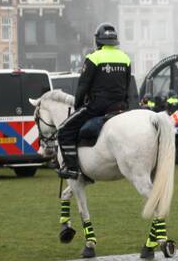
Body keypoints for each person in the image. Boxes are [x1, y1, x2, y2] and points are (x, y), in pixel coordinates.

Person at [56, 23, 133, 179]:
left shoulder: (93, 58)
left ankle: (72, 168)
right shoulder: (125, 58)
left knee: (64, 129)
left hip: (98, 107)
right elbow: (127, 86)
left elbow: (83, 87)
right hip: (120, 106)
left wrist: (78, 106)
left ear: (98, 41)